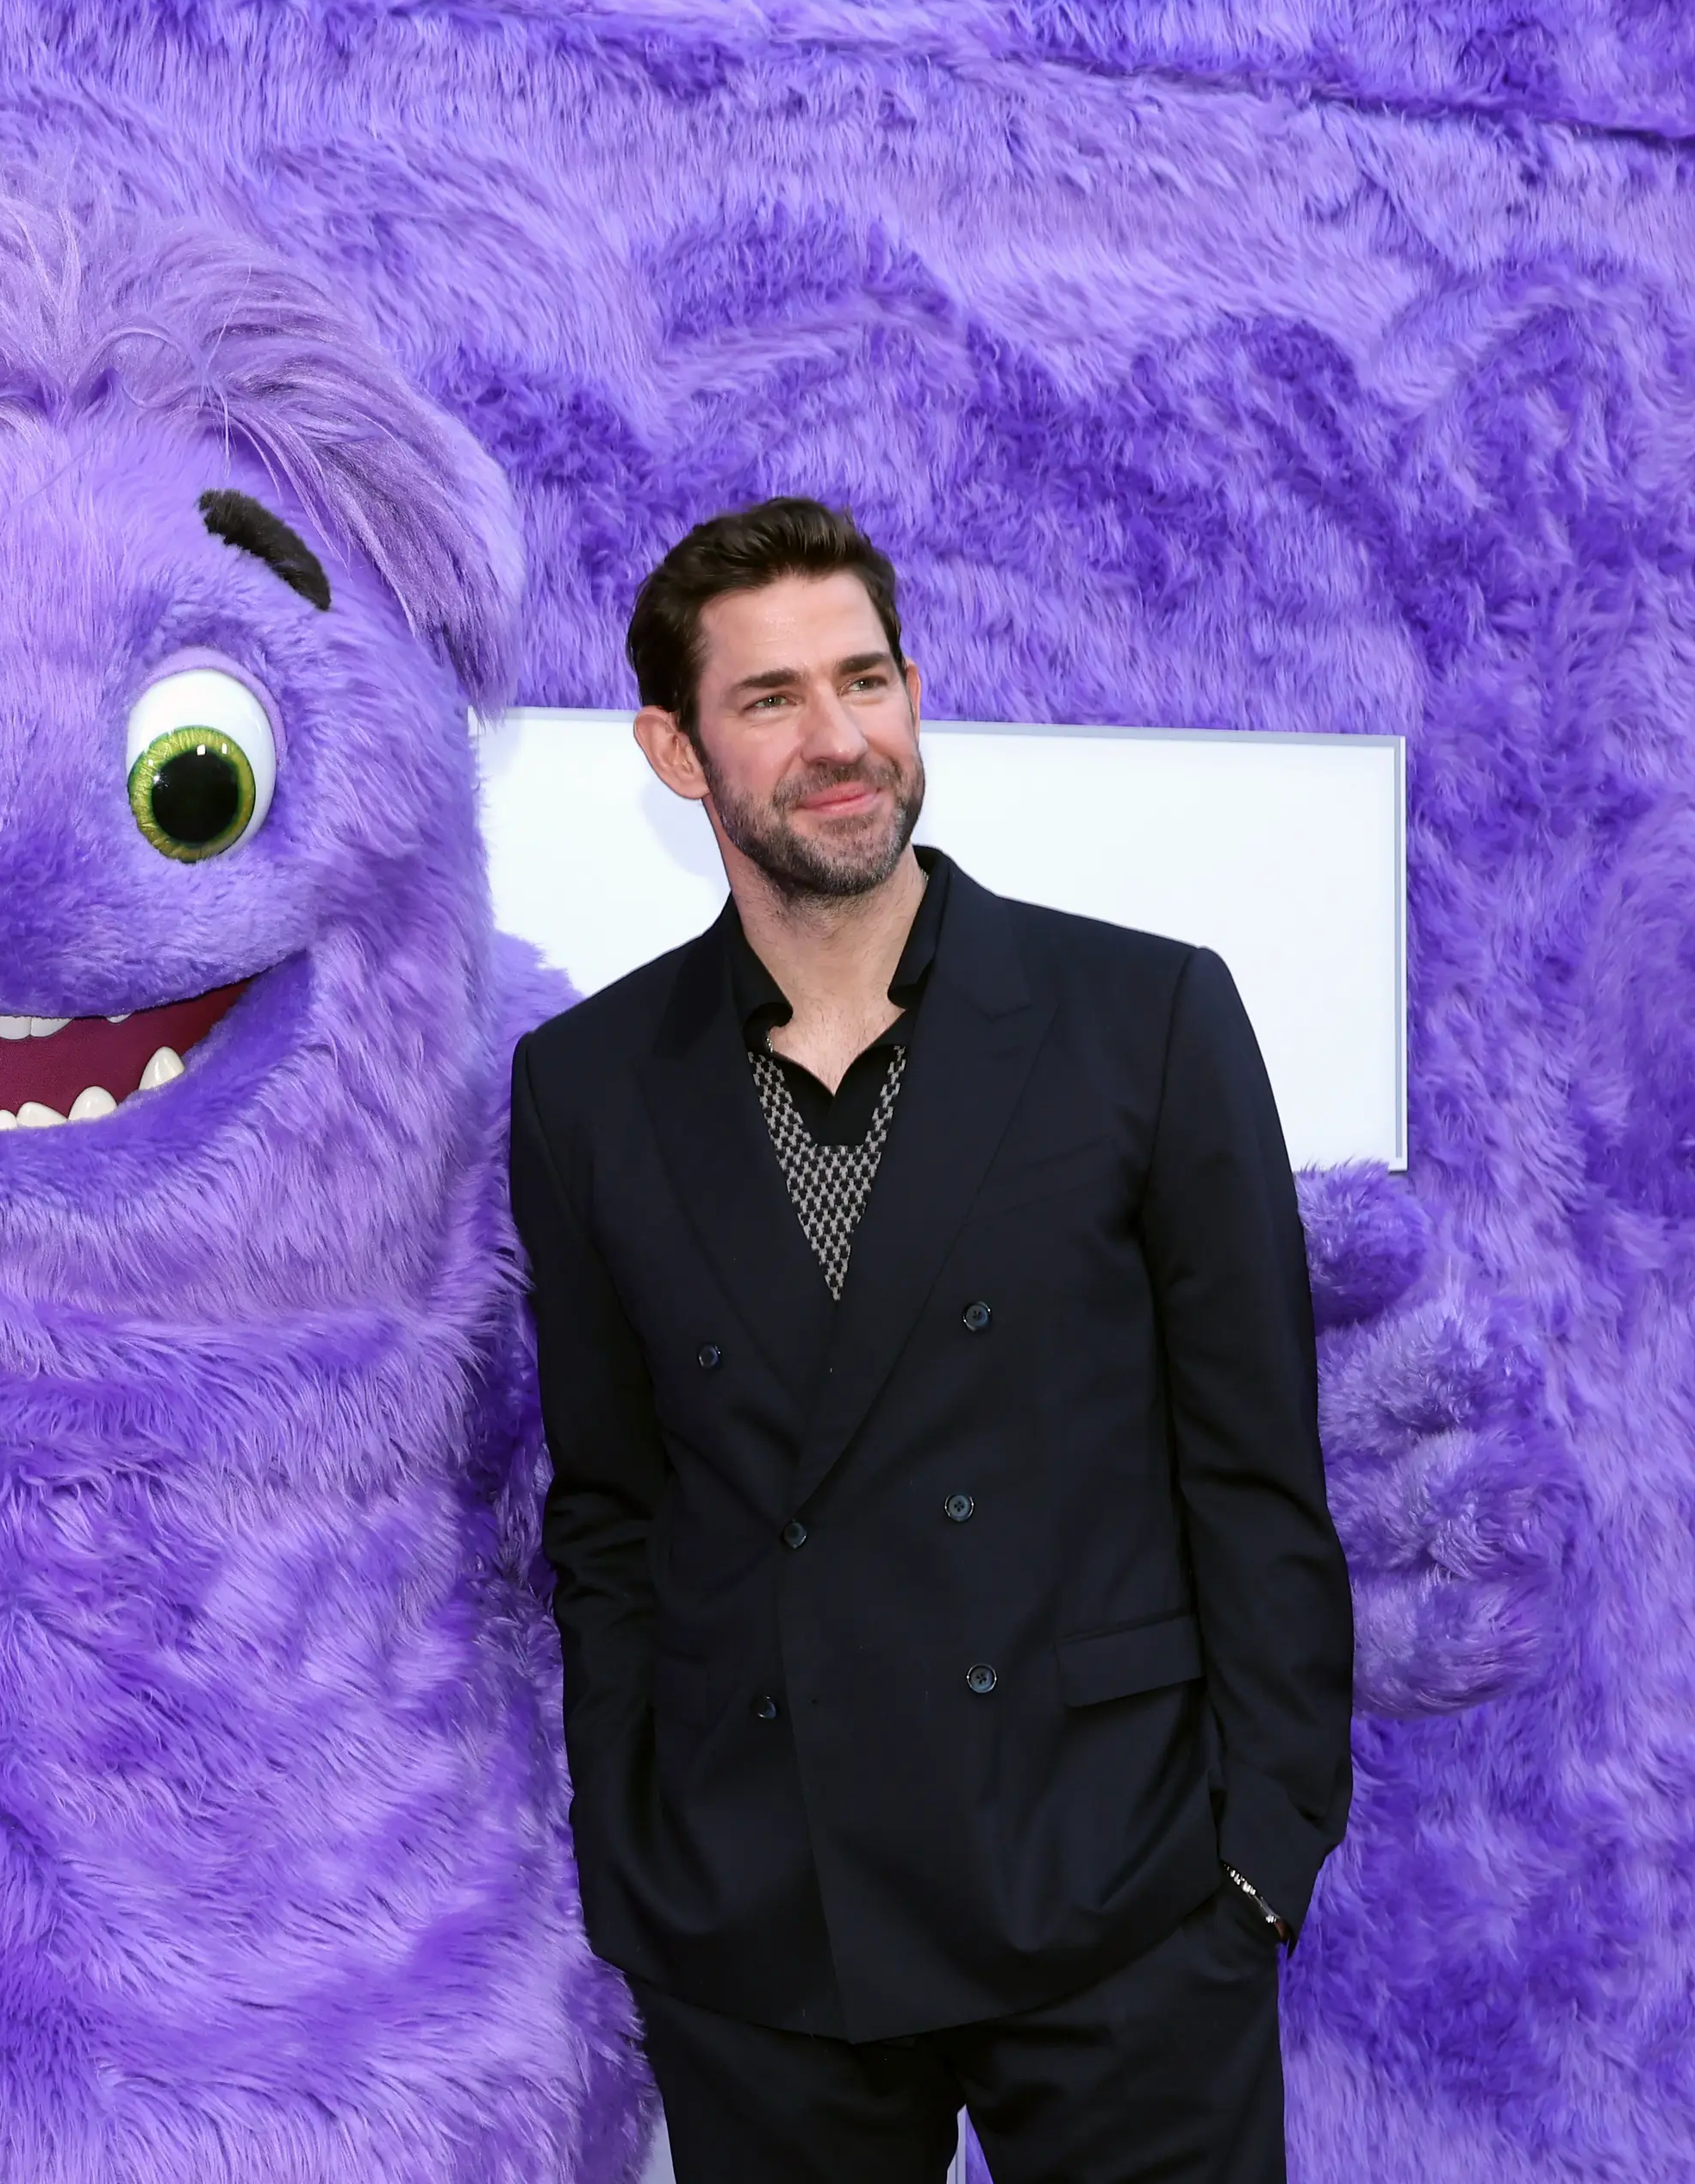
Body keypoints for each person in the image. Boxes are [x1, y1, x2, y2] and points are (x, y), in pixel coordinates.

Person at [507, 499, 1353, 2181]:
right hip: (766, 1917)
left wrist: (1259, 1847)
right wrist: (635, 1844)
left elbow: (1255, 1471)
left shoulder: (1145, 1018)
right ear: (673, 750)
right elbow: (608, 1501)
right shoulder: (590, 1088)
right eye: (771, 700)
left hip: (1119, 1898)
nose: (841, 740)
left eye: (867, 678)